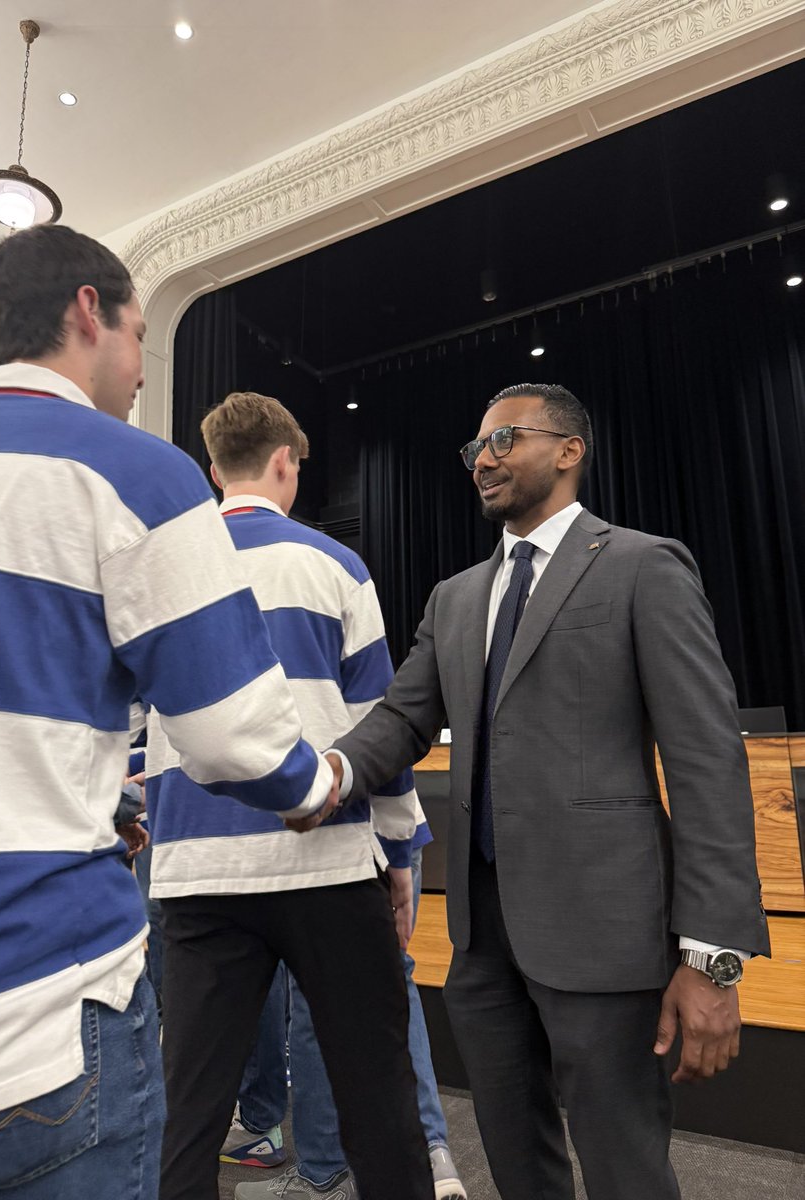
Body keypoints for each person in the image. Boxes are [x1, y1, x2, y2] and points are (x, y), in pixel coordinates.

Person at [0, 227, 336, 1200]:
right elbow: (237, 737)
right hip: (35, 1018)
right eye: (142, 334)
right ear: (88, 313)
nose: (143, 370)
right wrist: (324, 781)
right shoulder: (139, 473)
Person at [324, 383, 770, 1200]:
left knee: (624, 1164)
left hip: (607, 932)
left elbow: (708, 761)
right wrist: (329, 772)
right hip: (482, 938)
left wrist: (714, 958)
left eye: (504, 442)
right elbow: (399, 719)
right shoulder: (455, 598)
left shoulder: (643, 565)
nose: (483, 461)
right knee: (516, 1159)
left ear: (570, 450)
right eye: (475, 451)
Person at [145, 391, 435, 1200]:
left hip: (197, 872)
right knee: (379, 1097)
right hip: (328, 863)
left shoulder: (165, 569)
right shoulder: (335, 565)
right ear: (285, 464)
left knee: (191, 1111)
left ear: (213, 470)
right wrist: (402, 853)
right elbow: (381, 726)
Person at [227, 836, 467, 1200]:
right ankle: (431, 1151)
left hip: (321, 843)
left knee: (313, 989)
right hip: (395, 833)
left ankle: (322, 1176)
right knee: (393, 977)